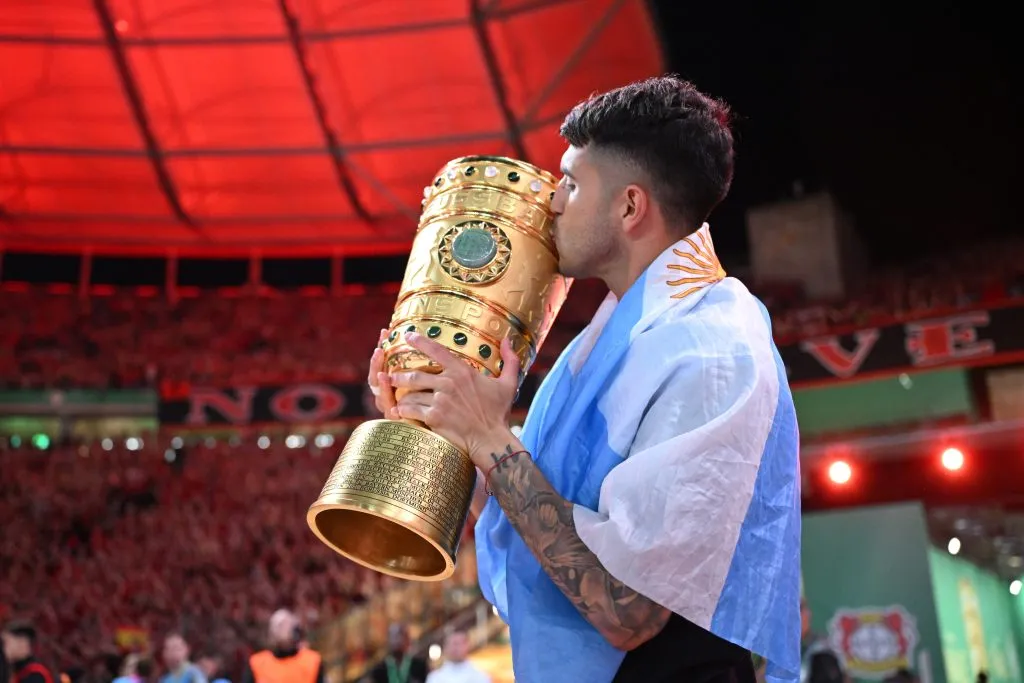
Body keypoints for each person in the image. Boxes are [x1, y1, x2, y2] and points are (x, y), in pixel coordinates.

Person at [368, 76, 801, 683]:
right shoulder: (607, 342)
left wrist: (491, 439)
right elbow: (536, 519)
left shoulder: (711, 350)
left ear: (630, 206)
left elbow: (628, 610)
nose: (551, 202)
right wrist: (432, 421)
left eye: (571, 183)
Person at [241, 609, 322, 683]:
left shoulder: (312, 662)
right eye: (276, 625)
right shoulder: (256, 664)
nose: (279, 629)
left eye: (283, 624)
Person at [363, 624, 428, 683]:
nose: (396, 641)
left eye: (399, 636)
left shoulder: (419, 665)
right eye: (393, 637)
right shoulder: (380, 670)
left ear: (407, 639)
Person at [425, 631, 489, 683]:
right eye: (452, 643)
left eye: (459, 644)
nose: (455, 648)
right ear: (445, 647)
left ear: (468, 645)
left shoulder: (480, 676)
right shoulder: (435, 678)